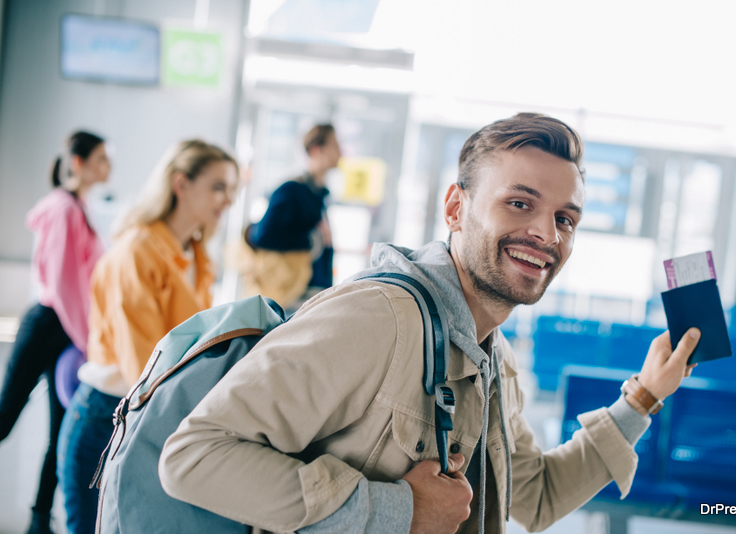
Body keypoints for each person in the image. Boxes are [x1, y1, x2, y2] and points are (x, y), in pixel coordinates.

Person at [159, 114, 700, 533]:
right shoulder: (377, 319)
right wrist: (398, 511)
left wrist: (644, 398)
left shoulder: (492, 353)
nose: (547, 235)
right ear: (455, 208)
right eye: (518, 203)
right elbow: (194, 456)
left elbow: (533, 497)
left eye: (566, 219)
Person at [56, 139, 238, 534]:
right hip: (109, 420)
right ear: (181, 184)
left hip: (153, 414)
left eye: (233, 189)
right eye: (219, 186)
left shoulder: (196, 253)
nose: (228, 200)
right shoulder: (137, 251)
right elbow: (144, 365)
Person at [0, 131, 110, 534]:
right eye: (101, 158)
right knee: (4, 417)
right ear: (78, 163)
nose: (108, 166)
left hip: (66, 330)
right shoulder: (63, 208)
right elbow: (64, 284)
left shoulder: (80, 207)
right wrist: (87, 339)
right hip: (49, 322)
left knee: (60, 429)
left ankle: (38, 519)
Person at [239, 123, 340, 309]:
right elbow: (263, 235)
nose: (341, 152)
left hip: (313, 294)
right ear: (317, 150)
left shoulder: (320, 195)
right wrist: (312, 240)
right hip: (291, 296)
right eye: (335, 145)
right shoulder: (292, 190)